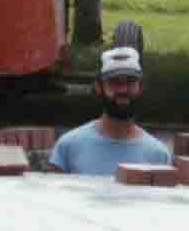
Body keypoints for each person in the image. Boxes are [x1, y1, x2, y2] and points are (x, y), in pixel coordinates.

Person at [48, 46, 172, 175]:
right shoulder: (68, 147)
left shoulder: (158, 156)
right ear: (98, 87)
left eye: (130, 82)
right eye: (114, 82)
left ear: (140, 86)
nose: (123, 89)